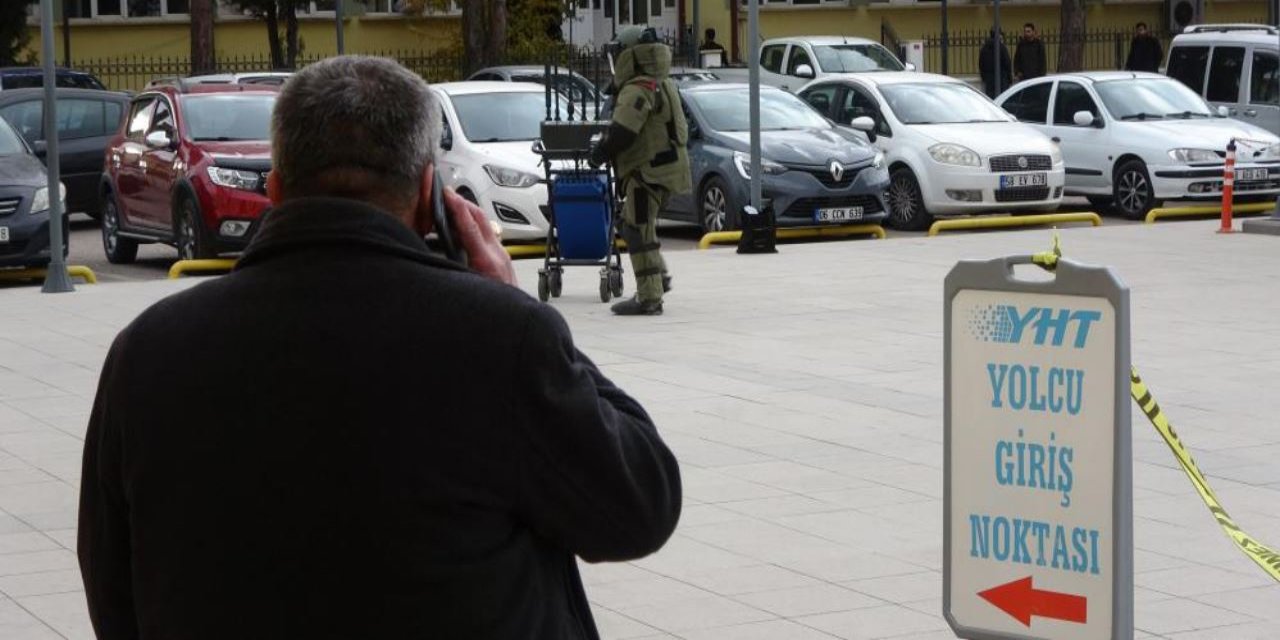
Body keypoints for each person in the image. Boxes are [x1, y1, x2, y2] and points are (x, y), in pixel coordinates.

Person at [77, 55, 682, 639]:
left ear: (279, 189)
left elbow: (111, 583)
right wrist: (511, 303)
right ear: (429, 195)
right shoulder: (496, 338)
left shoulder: (146, 354)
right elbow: (640, 506)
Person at [592, 25, 691, 316]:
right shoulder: (661, 82)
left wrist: (600, 153)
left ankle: (649, 296)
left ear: (631, 56)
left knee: (636, 228)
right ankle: (658, 278)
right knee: (636, 225)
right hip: (664, 169)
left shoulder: (639, 87)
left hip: (648, 171)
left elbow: (623, 131)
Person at [979, 28, 1013, 98]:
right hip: (1002, 78)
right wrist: (1009, 78)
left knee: (991, 100)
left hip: (989, 79)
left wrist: (984, 77)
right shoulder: (1001, 47)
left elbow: (981, 64)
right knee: (1003, 99)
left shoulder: (984, 48)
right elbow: (1007, 63)